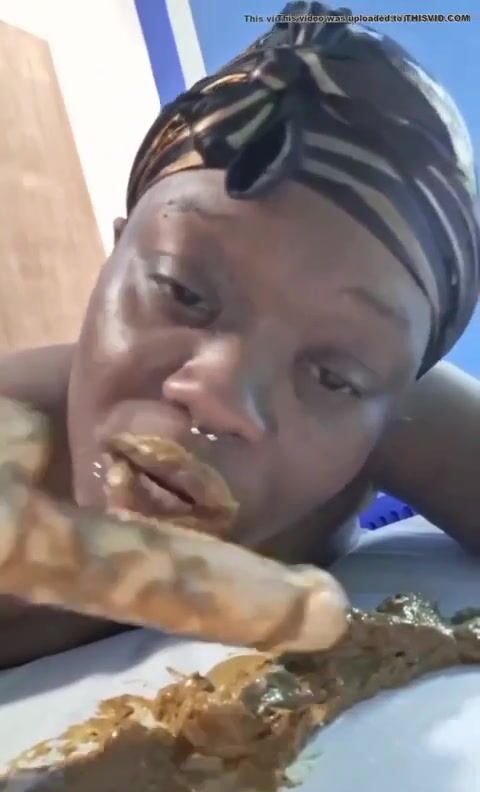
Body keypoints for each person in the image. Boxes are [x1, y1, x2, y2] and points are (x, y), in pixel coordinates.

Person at [0, 2, 479, 669]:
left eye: (332, 375)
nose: (220, 396)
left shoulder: (382, 426)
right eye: (182, 292)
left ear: (391, 408)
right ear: (112, 260)